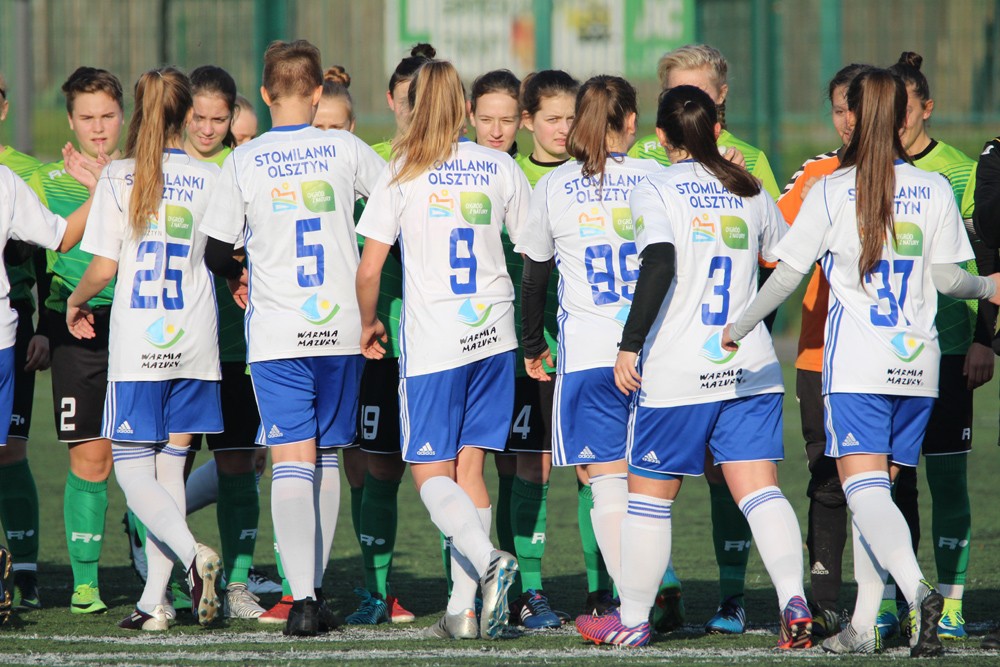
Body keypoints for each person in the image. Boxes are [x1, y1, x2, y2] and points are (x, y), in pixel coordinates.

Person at [722, 67, 1000, 658]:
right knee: (878, 497)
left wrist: (739, 326)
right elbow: (949, 279)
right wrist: (989, 287)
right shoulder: (933, 187)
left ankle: (918, 590)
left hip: (858, 369)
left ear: (857, 116)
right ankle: (866, 625)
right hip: (920, 366)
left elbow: (787, 277)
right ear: (902, 116)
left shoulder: (830, 190)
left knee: (863, 491)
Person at [574, 84, 808, 649]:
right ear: (716, 130)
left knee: (648, 498)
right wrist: (747, 323)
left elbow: (659, 261)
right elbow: (787, 265)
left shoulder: (655, 186)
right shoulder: (748, 186)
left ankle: (633, 620)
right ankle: (794, 603)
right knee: (760, 492)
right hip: (748, 366)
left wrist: (629, 344)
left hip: (678, 371)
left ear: (660, 135)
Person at [201, 39, 385, 637]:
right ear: (317, 92)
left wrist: (239, 275)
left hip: (277, 332)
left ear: (264, 93)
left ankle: (301, 599)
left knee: (290, 458)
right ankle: (317, 592)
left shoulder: (243, 160)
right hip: (339, 327)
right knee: (326, 455)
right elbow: (393, 208)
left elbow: (214, 251)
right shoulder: (345, 147)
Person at [355, 58, 526, 641]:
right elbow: (536, 249)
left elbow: (370, 269)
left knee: (430, 472)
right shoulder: (498, 164)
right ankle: (462, 612)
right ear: (464, 108)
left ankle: (488, 558)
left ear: (414, 103)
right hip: (495, 334)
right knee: (470, 470)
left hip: (435, 342)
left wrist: (368, 323)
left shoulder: (402, 167)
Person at [66, 66, 226, 632]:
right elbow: (228, 255)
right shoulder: (210, 178)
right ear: (188, 113)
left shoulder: (118, 176)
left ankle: (190, 557)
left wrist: (74, 302)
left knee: (135, 474)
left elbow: (103, 267)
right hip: (195, 341)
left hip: (141, 344)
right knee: (170, 472)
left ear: (138, 111)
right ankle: (155, 602)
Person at [627, 44, 780, 634]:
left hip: (695, 353)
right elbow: (786, 261)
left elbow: (773, 256)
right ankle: (663, 590)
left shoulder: (748, 164)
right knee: (746, 487)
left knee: (688, 483)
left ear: (720, 101)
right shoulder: (650, 160)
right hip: (698, 349)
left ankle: (721, 598)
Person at [515, 74, 661, 633]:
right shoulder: (654, 177)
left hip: (590, 354)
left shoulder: (555, 185)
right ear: (631, 122)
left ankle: (632, 609)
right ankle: (650, 596)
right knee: (652, 485)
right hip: (653, 350)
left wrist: (533, 345)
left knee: (604, 483)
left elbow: (534, 279)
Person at [870, 51, 996, 642]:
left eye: (907, 109)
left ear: (927, 108)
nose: (898, 121)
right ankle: (890, 599)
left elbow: (987, 258)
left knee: (946, 479)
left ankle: (951, 604)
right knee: (886, 483)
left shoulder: (960, 173)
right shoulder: (866, 172)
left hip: (947, 349)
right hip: (882, 354)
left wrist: (983, 340)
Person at [340, 46, 434, 627]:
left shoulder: (459, 163)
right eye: (406, 100)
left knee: (453, 469)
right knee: (376, 468)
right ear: (391, 101)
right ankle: (375, 589)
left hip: (439, 344)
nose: (414, 110)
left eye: (424, 100)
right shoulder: (371, 164)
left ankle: (467, 591)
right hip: (379, 342)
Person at [776, 62, 870, 636]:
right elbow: (770, 250)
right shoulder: (816, 174)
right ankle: (828, 601)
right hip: (819, 356)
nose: (846, 121)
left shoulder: (910, 181)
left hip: (884, 357)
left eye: (855, 109)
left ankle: (887, 601)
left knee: (890, 481)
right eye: (838, 109)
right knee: (826, 478)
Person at [28, 66, 125, 615]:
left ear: (123, 117)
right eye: (87, 117)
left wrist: (110, 186)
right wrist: (43, 329)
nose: (98, 127)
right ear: (70, 121)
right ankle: (85, 583)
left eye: (108, 115)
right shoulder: (46, 183)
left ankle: (160, 573)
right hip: (75, 329)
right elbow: (41, 259)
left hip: (139, 327)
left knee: (143, 457)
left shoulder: (142, 175)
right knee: (90, 456)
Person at [467, 67, 562, 629]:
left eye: (507, 120)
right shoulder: (455, 173)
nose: (497, 131)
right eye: (488, 120)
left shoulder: (535, 178)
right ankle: (473, 584)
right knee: (473, 463)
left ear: (520, 122)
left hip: (533, 344)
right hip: (472, 344)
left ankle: (531, 589)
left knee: (532, 464)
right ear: (471, 118)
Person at [0, 73, 45, 611]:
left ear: (5, 108)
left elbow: (49, 253)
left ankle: (27, 569)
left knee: (11, 450)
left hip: (14, 326)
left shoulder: (25, 174)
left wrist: (44, 329)